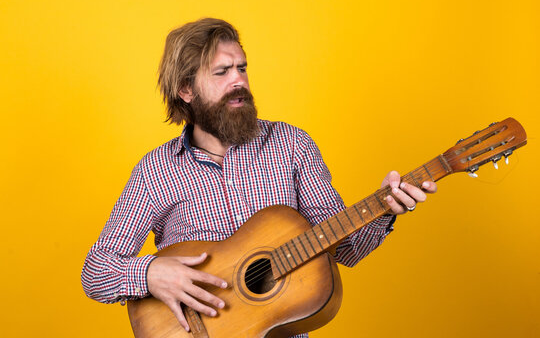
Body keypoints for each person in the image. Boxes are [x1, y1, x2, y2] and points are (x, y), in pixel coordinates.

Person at [81, 18, 437, 337]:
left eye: (242, 68)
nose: (238, 80)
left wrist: (386, 208)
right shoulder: (155, 171)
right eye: (221, 73)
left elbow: (345, 248)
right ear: (186, 90)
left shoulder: (292, 145)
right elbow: (95, 271)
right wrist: (150, 274)